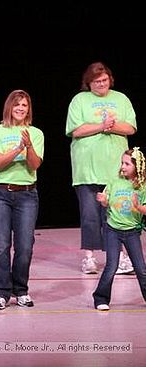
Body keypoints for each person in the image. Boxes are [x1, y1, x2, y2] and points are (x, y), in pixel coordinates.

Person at [65, 61, 137, 275]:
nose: (101, 84)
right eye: (96, 81)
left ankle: (120, 257)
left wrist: (112, 125)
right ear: (89, 83)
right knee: (90, 214)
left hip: (116, 170)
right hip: (87, 169)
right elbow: (75, 130)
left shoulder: (121, 99)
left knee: (116, 213)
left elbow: (131, 127)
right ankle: (89, 257)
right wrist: (101, 126)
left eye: (104, 80)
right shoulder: (80, 100)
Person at [0, 90, 44, 310]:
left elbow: (34, 165)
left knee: (25, 246)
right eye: (17, 104)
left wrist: (28, 146)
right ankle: (1, 292)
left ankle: (21, 290)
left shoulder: (36, 133)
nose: (21, 108)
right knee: (1, 246)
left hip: (27, 194)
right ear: (9, 107)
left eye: (25, 105)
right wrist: (18, 148)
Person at [93, 148, 146, 311]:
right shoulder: (115, 181)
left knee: (141, 269)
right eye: (122, 163)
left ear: (137, 167)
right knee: (111, 266)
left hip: (132, 232)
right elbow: (107, 201)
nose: (122, 166)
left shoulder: (142, 187)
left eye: (127, 164)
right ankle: (100, 298)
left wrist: (138, 207)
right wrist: (103, 200)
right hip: (112, 230)